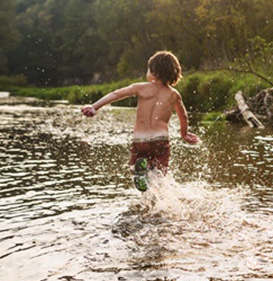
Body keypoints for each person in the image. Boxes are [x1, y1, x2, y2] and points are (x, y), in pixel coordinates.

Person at [81, 50, 199, 191]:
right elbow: (183, 116)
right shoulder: (174, 94)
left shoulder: (141, 88)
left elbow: (116, 94)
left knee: (134, 168)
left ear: (153, 71)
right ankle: (158, 196)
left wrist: (94, 107)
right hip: (160, 139)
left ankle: (142, 171)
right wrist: (184, 134)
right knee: (161, 173)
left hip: (140, 139)